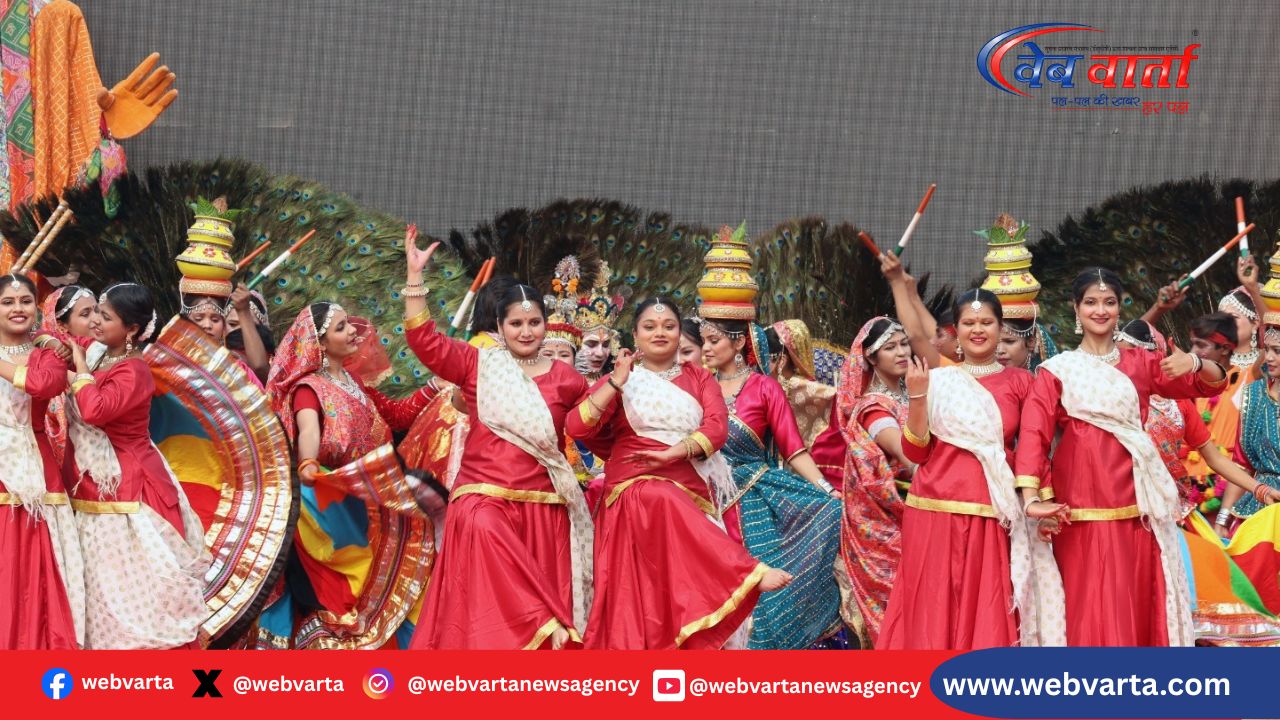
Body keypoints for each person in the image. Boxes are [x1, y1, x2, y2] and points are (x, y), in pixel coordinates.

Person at [1016, 268, 1228, 646]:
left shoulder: (1141, 363)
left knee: (1133, 600)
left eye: (1109, 302)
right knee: (1088, 603)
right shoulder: (1056, 372)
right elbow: (1034, 436)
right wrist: (1032, 498)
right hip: (1078, 506)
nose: (1100, 310)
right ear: (1076, 308)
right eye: (1091, 302)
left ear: (1119, 308)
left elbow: (1209, 383)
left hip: (1136, 507)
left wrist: (1196, 362)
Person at [401, 231, 592, 650]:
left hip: (544, 508)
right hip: (483, 498)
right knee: (486, 538)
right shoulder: (479, 363)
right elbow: (425, 341)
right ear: (500, 327)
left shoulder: (568, 379)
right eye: (516, 324)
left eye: (534, 323)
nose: (526, 332)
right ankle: (544, 620)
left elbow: (593, 430)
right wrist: (415, 279)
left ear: (545, 325)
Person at [566, 297, 793, 649]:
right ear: (635, 335)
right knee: (655, 495)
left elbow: (717, 429)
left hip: (690, 489)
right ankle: (744, 573)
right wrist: (616, 382)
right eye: (650, 327)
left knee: (668, 510)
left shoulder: (699, 378)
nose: (660, 332)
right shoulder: (623, 380)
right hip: (631, 488)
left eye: (669, 326)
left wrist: (672, 453)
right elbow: (577, 427)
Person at [878, 289, 1066, 649]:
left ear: (999, 327)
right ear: (957, 329)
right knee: (932, 608)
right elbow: (916, 452)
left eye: (986, 322)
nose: (977, 330)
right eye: (969, 323)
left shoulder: (1021, 382)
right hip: (932, 511)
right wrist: (917, 396)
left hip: (990, 511)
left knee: (987, 609)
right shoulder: (938, 380)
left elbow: (1033, 446)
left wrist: (1039, 501)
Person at [259, 294, 437, 649]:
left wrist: (435, 387)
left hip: (377, 499)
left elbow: (397, 416)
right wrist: (308, 462)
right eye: (341, 328)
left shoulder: (355, 383)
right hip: (336, 505)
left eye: (349, 323)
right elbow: (308, 431)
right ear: (321, 343)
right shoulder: (308, 388)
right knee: (353, 600)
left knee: (407, 582)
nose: (354, 331)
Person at [65, 283, 210, 648]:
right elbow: (74, 345)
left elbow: (95, 410)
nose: (95, 322)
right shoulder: (101, 353)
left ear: (131, 329)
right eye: (94, 312)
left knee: (136, 595)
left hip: (131, 491)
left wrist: (79, 368)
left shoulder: (134, 370)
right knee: (102, 588)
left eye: (105, 317)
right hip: (96, 485)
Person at [702, 317, 843, 649]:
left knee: (765, 599)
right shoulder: (699, 388)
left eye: (714, 340)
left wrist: (827, 490)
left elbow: (793, 449)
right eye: (703, 341)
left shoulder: (764, 388)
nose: (705, 348)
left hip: (754, 501)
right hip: (705, 503)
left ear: (739, 343)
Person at [0, 273, 83, 648]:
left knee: (38, 572)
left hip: (36, 472)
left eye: (25, 301)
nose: (17, 309)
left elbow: (44, 385)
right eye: (7, 302)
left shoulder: (48, 355)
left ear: (36, 307)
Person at [835, 316, 913, 647]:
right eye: (890, 347)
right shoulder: (873, 407)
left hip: (924, 504)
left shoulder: (915, 395)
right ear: (871, 357)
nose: (901, 352)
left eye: (904, 344)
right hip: (890, 520)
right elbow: (907, 454)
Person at [769, 319, 848, 487]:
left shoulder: (799, 387)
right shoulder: (778, 385)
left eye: (763, 357)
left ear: (781, 360)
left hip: (803, 471)